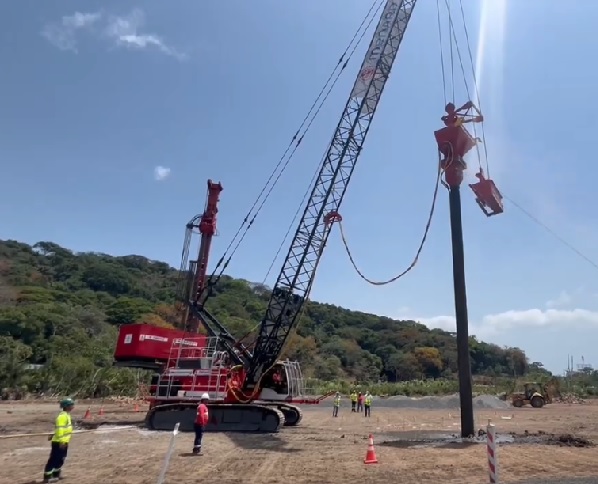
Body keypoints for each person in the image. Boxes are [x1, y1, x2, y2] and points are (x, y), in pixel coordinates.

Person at [43, 397, 75, 483]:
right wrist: (61, 441)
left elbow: (60, 429)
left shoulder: (67, 415)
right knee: (54, 459)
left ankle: (56, 474)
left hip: (64, 441)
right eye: (71, 405)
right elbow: (60, 429)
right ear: (66, 406)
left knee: (61, 459)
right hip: (59, 442)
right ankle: (47, 477)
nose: (73, 406)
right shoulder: (62, 416)